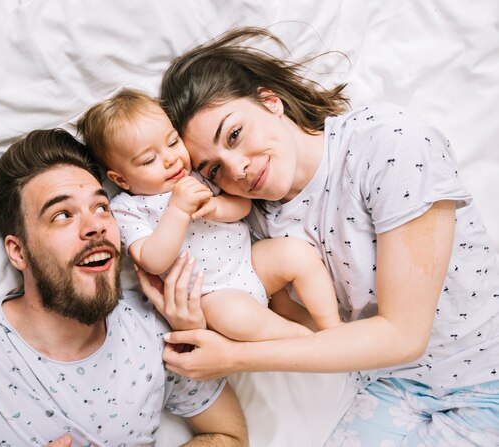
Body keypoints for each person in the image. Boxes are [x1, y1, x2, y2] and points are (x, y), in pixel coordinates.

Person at [157, 26, 499, 445]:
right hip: (390, 388)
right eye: (213, 170)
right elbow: (310, 332)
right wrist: (193, 320)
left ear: (270, 102)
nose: (237, 170)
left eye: (234, 134)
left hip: (487, 379)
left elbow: (403, 335)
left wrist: (236, 358)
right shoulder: (261, 221)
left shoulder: (388, 142)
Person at [0, 128, 248, 446]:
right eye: (62, 215)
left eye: (102, 208)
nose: (96, 226)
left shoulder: (155, 333)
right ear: (18, 251)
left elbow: (229, 435)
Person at [76, 88, 341, 343]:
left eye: (172, 142)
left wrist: (216, 208)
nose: (171, 159)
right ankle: (301, 339)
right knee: (235, 317)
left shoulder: (195, 175)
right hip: (213, 292)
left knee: (296, 254)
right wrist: (178, 211)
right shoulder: (128, 208)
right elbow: (152, 261)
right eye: (149, 160)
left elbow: (242, 206)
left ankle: (333, 329)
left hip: (250, 260)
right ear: (120, 179)